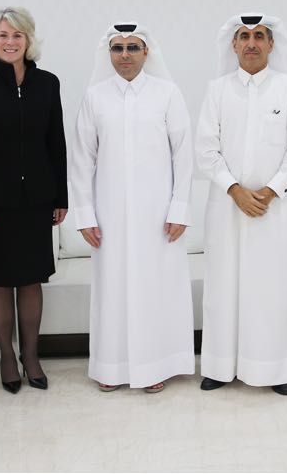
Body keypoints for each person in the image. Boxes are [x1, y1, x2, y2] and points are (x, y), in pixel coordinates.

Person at [72, 22, 195, 393]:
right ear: (109, 53)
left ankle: (156, 365)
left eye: (132, 47)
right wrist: (85, 214)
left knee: (155, 288)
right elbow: (82, 159)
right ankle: (111, 367)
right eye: (118, 48)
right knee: (112, 288)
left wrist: (179, 209)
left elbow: (184, 156)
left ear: (146, 52)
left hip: (158, 215)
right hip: (109, 215)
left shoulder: (167, 94)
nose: (124, 55)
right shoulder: (95, 97)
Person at [195, 13, 287, 396]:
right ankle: (219, 367)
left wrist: (271, 190)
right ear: (233, 44)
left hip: (274, 209)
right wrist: (235, 190)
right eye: (244, 37)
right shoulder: (217, 90)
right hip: (227, 206)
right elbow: (206, 148)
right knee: (223, 287)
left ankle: (276, 369)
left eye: (259, 36)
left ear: (271, 44)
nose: (251, 43)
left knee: (273, 289)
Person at [0, 7, 68, 393]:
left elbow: (56, 142)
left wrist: (61, 196)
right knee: (0, 282)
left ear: (28, 40)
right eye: (3, 35)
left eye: (17, 35)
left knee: (31, 279)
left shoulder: (47, 83)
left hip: (36, 200)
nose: (10, 41)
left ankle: (31, 356)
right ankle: (6, 356)